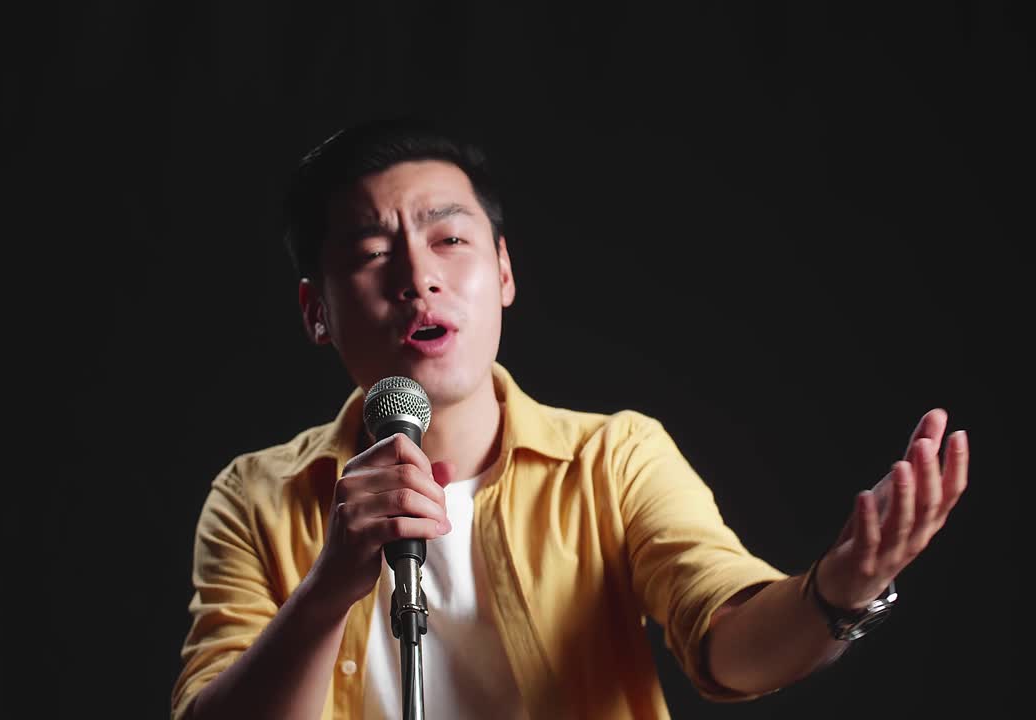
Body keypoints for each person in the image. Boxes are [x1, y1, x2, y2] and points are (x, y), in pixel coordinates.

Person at [169, 116, 970, 720]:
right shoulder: (256, 495)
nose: (419, 277)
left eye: (450, 238)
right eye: (374, 253)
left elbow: (727, 639)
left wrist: (841, 590)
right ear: (317, 311)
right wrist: (326, 590)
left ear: (505, 270)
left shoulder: (614, 459)